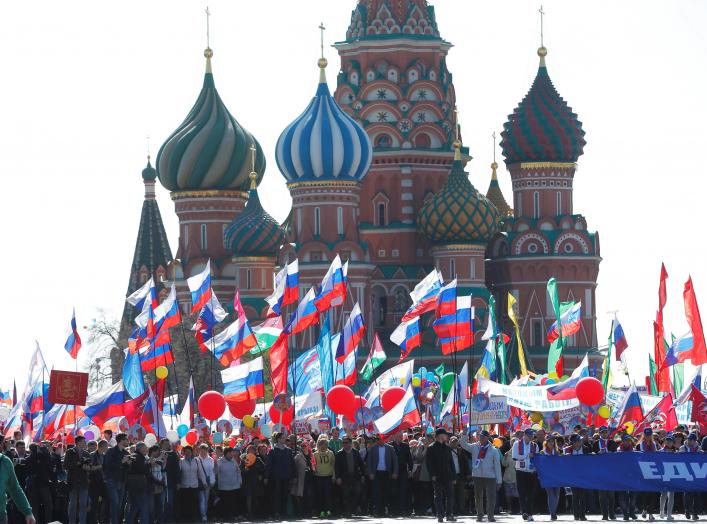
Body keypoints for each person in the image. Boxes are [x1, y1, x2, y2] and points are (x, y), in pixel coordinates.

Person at [460, 430, 502, 522]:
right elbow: (463, 445)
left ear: (487, 438)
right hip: (477, 476)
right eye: (480, 436)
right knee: (478, 497)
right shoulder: (474, 446)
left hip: (490, 476)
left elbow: (497, 466)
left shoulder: (494, 450)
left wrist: (499, 481)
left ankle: (490, 515)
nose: (481, 438)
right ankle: (479, 515)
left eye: (483, 436)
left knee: (491, 497)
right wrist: (464, 434)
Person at [427, 428, 456, 523]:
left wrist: (454, 476)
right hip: (437, 476)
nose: (447, 436)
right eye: (445, 434)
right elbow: (429, 464)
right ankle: (440, 515)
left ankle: (449, 514)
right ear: (439, 435)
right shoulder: (431, 448)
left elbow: (451, 463)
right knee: (438, 496)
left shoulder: (447, 447)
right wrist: (432, 475)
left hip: (448, 475)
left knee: (450, 495)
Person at [365, 434, 398, 518]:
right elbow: (369, 462)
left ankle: (385, 509)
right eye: (378, 440)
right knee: (376, 492)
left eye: (382, 439)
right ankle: (378, 510)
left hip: (387, 473)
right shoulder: (373, 448)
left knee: (386, 491)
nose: (380, 441)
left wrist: (395, 472)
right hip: (376, 473)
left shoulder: (390, 448)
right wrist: (370, 473)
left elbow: (395, 461)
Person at [265, 432, 295, 519]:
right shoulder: (273, 451)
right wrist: (266, 476)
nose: (284, 439)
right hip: (276, 477)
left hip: (286, 476)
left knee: (285, 495)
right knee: (276, 495)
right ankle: (276, 512)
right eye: (282, 438)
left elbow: (292, 464)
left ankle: (283, 512)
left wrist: (294, 476)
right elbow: (268, 465)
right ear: (278, 439)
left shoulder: (288, 450)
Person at [335, 436, 366, 517]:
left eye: (346, 442)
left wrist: (363, 475)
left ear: (350, 443)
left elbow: (361, 465)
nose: (344, 444)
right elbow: (336, 467)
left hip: (355, 476)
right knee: (346, 494)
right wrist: (338, 477)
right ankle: (347, 511)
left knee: (358, 492)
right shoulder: (339, 454)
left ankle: (354, 508)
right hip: (344, 477)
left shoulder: (356, 452)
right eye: (343, 443)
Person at [103, 433, 130, 524]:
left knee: (119, 504)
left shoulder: (126, 453)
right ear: (121, 440)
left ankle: (116, 521)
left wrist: (129, 464)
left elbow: (127, 468)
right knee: (115, 503)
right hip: (112, 480)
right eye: (126, 439)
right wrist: (121, 462)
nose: (128, 441)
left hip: (122, 481)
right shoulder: (111, 451)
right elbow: (107, 465)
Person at [512, 428, 538, 521]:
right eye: (529, 435)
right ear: (525, 435)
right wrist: (526, 456)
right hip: (520, 471)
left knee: (531, 494)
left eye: (532, 435)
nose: (531, 437)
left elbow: (537, 458)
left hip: (531, 472)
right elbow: (514, 457)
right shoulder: (516, 444)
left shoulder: (534, 445)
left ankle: (530, 513)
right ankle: (524, 511)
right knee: (522, 493)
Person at [64, 436, 91, 524]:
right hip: (73, 482)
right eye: (83, 441)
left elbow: (90, 467)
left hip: (84, 482)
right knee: (73, 505)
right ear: (78, 442)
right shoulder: (70, 452)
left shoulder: (87, 453)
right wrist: (77, 463)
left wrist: (87, 467)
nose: (85, 443)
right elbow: (66, 465)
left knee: (83, 505)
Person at [593, 426, 617, 521]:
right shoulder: (595, 443)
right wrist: (597, 454)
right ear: (599, 433)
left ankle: (611, 513)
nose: (604, 433)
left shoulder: (612, 442)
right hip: (600, 471)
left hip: (611, 471)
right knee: (602, 495)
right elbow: (592, 455)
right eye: (602, 432)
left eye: (605, 432)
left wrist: (610, 453)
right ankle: (604, 514)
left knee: (611, 495)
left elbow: (616, 455)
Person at [564, 434, 590, 521]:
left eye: (580, 440)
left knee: (582, 496)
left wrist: (592, 455)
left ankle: (582, 515)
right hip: (573, 476)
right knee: (575, 496)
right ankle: (576, 515)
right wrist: (566, 458)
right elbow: (563, 462)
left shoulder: (586, 448)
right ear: (574, 443)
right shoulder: (568, 450)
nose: (580, 442)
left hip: (583, 476)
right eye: (578, 441)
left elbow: (590, 461)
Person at [178, 445, 206, 522]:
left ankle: (193, 518)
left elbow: (201, 473)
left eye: (189, 452)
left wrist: (204, 483)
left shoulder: (197, 461)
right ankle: (185, 518)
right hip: (184, 485)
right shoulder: (181, 461)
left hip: (194, 485)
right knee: (185, 503)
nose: (187, 453)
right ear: (183, 452)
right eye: (186, 452)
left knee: (193, 503)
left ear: (191, 452)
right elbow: (178, 473)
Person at [125, 442, 151, 524]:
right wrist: (149, 464)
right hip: (139, 486)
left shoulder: (134, 456)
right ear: (141, 449)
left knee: (133, 507)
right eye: (145, 448)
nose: (147, 449)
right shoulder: (139, 457)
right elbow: (142, 470)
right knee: (144, 508)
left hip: (132, 486)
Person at [679, 433, 702, 520]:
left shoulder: (698, 448)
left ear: (695, 441)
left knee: (696, 494)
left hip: (696, 474)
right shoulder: (682, 448)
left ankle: (695, 513)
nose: (689, 441)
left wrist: (701, 454)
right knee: (687, 494)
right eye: (688, 439)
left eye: (691, 440)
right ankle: (687, 510)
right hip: (686, 473)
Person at [215, 447, 241, 521]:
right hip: (224, 486)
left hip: (234, 485)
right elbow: (216, 472)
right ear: (225, 454)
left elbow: (238, 471)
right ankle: (224, 516)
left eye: (232, 452)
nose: (231, 454)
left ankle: (231, 516)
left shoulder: (234, 461)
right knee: (224, 502)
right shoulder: (220, 461)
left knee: (232, 502)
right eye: (230, 453)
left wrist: (239, 481)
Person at [313, 436, 336, 519]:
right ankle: (321, 511)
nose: (324, 446)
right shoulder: (315, 454)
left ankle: (329, 510)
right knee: (320, 494)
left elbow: (333, 465)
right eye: (322, 444)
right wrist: (314, 469)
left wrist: (334, 476)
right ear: (319, 445)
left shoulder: (331, 453)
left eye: (325, 444)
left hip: (328, 476)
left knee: (328, 494)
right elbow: (313, 465)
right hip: (318, 476)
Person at [618, 435, 638, 521]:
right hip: (621, 475)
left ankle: (632, 512)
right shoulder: (618, 451)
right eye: (626, 440)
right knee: (623, 496)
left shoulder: (634, 451)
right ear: (622, 441)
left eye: (629, 440)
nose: (627, 442)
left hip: (632, 475)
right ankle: (625, 513)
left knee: (633, 496)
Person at [292, 440, 314, 518]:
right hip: (302, 478)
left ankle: (309, 511)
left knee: (310, 495)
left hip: (311, 478)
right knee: (302, 496)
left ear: (308, 446)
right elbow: (294, 467)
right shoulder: (298, 456)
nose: (303, 447)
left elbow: (315, 465)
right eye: (302, 446)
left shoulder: (312, 455)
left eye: (305, 446)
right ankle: (302, 512)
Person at [148, 445, 166, 524]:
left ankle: (159, 521)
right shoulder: (149, 459)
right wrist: (160, 457)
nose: (159, 453)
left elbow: (163, 468)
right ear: (153, 452)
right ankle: (151, 521)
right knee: (151, 507)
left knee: (160, 505)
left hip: (160, 484)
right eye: (157, 451)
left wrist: (165, 459)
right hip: (152, 485)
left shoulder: (159, 460)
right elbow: (151, 463)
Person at [659, 434, 676, 521]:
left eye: (670, 440)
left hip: (672, 475)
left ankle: (669, 514)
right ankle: (661, 511)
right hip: (663, 475)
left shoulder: (676, 452)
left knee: (672, 495)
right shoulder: (661, 451)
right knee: (663, 494)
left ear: (673, 442)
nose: (668, 442)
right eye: (667, 440)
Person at [196, 444, 215, 522]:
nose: (203, 451)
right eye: (201, 450)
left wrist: (212, 482)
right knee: (202, 500)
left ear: (207, 450)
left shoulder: (210, 460)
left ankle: (204, 515)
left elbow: (212, 472)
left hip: (208, 483)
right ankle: (203, 515)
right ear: (199, 450)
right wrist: (203, 482)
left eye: (205, 450)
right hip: (200, 482)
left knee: (206, 500)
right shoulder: (196, 460)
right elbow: (198, 472)